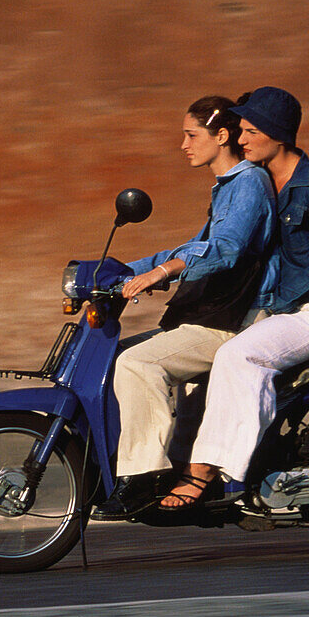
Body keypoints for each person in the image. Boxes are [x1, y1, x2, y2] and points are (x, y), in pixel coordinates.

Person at [160, 86, 309, 508]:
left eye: (249, 131)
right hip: (276, 309)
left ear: (276, 134)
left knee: (240, 357)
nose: (241, 138)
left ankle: (218, 473)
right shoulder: (262, 183)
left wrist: (283, 299)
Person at [90, 95, 277, 520]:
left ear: (222, 136)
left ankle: (144, 479)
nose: (183, 145)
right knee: (117, 357)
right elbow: (194, 247)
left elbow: (225, 250)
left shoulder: (249, 183)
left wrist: (164, 272)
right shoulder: (230, 187)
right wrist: (117, 271)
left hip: (234, 321)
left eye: (191, 135)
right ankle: (159, 459)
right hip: (213, 316)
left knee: (138, 364)